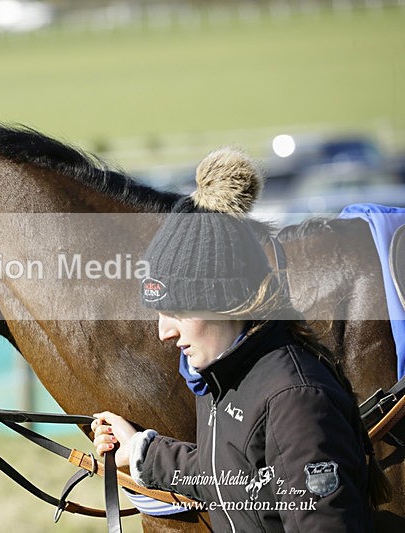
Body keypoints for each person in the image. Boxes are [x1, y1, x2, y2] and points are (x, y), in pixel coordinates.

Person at [92, 148, 389, 532]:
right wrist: (139, 452)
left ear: (225, 301)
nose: (164, 332)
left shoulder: (295, 400)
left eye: (176, 311)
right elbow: (231, 476)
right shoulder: (225, 378)